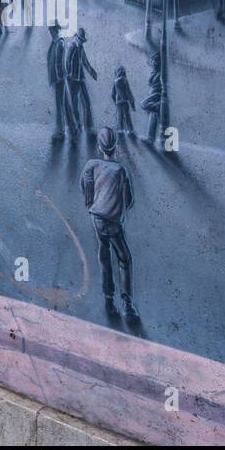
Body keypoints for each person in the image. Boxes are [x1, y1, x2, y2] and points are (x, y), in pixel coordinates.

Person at [82, 127, 139, 320]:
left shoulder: (91, 165)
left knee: (103, 252)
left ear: (99, 147)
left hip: (96, 217)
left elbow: (86, 187)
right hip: (114, 221)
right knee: (125, 258)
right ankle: (128, 304)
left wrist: (91, 203)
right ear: (116, 148)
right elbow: (129, 200)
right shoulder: (121, 171)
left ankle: (108, 295)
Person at [64, 27, 98, 138]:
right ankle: (76, 125)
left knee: (86, 102)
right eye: (80, 39)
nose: (81, 41)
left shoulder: (80, 48)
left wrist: (92, 72)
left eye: (82, 40)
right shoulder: (71, 46)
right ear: (76, 38)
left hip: (80, 79)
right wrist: (69, 74)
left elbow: (85, 62)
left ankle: (87, 126)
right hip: (72, 79)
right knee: (74, 103)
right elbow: (66, 62)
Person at [47, 23, 66, 141]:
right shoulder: (55, 42)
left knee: (60, 105)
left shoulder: (59, 43)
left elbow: (59, 63)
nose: (50, 33)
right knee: (60, 104)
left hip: (59, 80)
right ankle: (62, 128)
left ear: (54, 31)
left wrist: (58, 78)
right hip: (57, 79)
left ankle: (60, 131)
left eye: (51, 30)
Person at [141, 50, 164, 148]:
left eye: (156, 61)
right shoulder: (153, 71)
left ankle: (158, 105)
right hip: (152, 94)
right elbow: (148, 61)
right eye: (153, 60)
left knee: (143, 104)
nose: (153, 62)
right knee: (153, 116)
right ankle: (150, 138)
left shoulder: (161, 74)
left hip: (156, 95)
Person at [111, 65, 136, 135]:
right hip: (125, 101)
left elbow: (112, 94)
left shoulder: (115, 81)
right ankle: (130, 129)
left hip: (118, 102)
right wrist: (132, 103)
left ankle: (120, 129)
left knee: (120, 116)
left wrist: (115, 101)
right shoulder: (125, 80)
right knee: (127, 115)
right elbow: (128, 92)